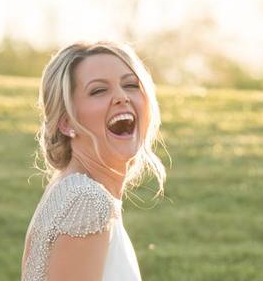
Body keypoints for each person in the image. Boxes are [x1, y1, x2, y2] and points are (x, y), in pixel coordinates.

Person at [22, 41, 166, 281]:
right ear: (66, 122)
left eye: (131, 85)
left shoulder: (72, 190)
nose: (121, 97)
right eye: (98, 90)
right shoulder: (86, 201)